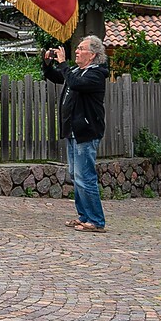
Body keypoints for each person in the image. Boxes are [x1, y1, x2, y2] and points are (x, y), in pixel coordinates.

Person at [43, 36, 109, 231]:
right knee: (75, 174)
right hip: (73, 131)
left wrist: (63, 64)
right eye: (77, 48)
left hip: (86, 131)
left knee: (85, 176)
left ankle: (96, 221)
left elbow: (75, 83)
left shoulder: (96, 74)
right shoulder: (77, 71)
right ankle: (84, 216)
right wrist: (47, 64)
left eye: (81, 49)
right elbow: (57, 77)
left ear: (93, 54)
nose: (77, 51)